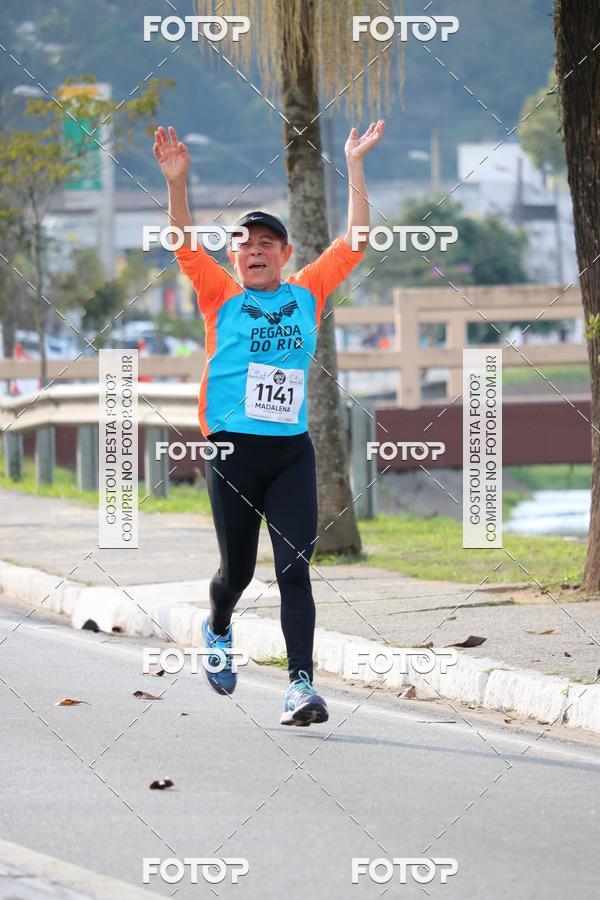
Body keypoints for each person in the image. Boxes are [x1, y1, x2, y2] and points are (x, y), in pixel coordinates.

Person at [153, 121, 385, 725]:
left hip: (289, 453)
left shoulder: (307, 292)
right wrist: (177, 183)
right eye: (245, 244)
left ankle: (300, 687)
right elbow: (182, 241)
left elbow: (358, 239)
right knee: (234, 572)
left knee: (293, 568)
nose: (255, 250)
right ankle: (219, 625)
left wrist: (354, 165)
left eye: (266, 242)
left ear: (284, 254)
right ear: (234, 257)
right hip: (232, 454)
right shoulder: (219, 296)